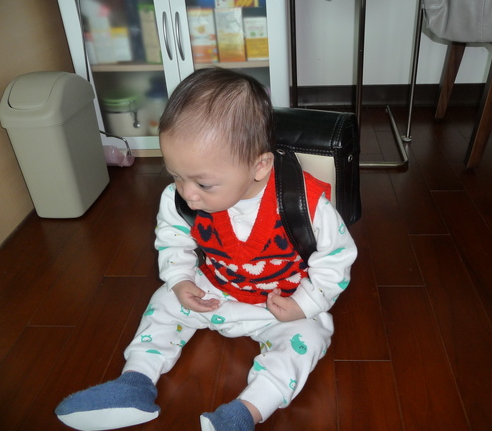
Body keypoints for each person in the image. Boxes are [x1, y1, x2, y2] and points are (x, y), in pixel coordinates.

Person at [55, 67, 357, 431]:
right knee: (164, 302)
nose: (187, 193)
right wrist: (181, 280)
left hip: (280, 305)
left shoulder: (302, 203)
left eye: (203, 184)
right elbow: (172, 239)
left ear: (259, 166)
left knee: (308, 338)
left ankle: (245, 412)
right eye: (175, 174)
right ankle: (134, 382)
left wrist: (303, 305)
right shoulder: (180, 199)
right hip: (214, 290)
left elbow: (337, 259)